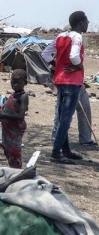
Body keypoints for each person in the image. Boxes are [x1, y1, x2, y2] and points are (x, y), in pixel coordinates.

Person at [42, 11, 89, 164]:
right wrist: (79, 66)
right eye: (86, 21)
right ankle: (56, 153)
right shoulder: (78, 37)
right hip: (72, 82)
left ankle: (65, 150)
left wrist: (58, 67)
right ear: (81, 23)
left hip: (61, 81)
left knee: (62, 116)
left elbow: (45, 54)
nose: (88, 23)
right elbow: (74, 56)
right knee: (65, 120)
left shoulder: (60, 36)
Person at [0, 69, 29, 168]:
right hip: (8, 127)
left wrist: (4, 115)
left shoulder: (23, 97)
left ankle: (17, 171)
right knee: (8, 149)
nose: (15, 85)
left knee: (14, 151)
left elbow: (20, 116)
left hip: (15, 128)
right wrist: (1, 109)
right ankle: (13, 168)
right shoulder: (13, 94)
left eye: (18, 82)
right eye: (13, 82)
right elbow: (10, 107)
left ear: (25, 83)